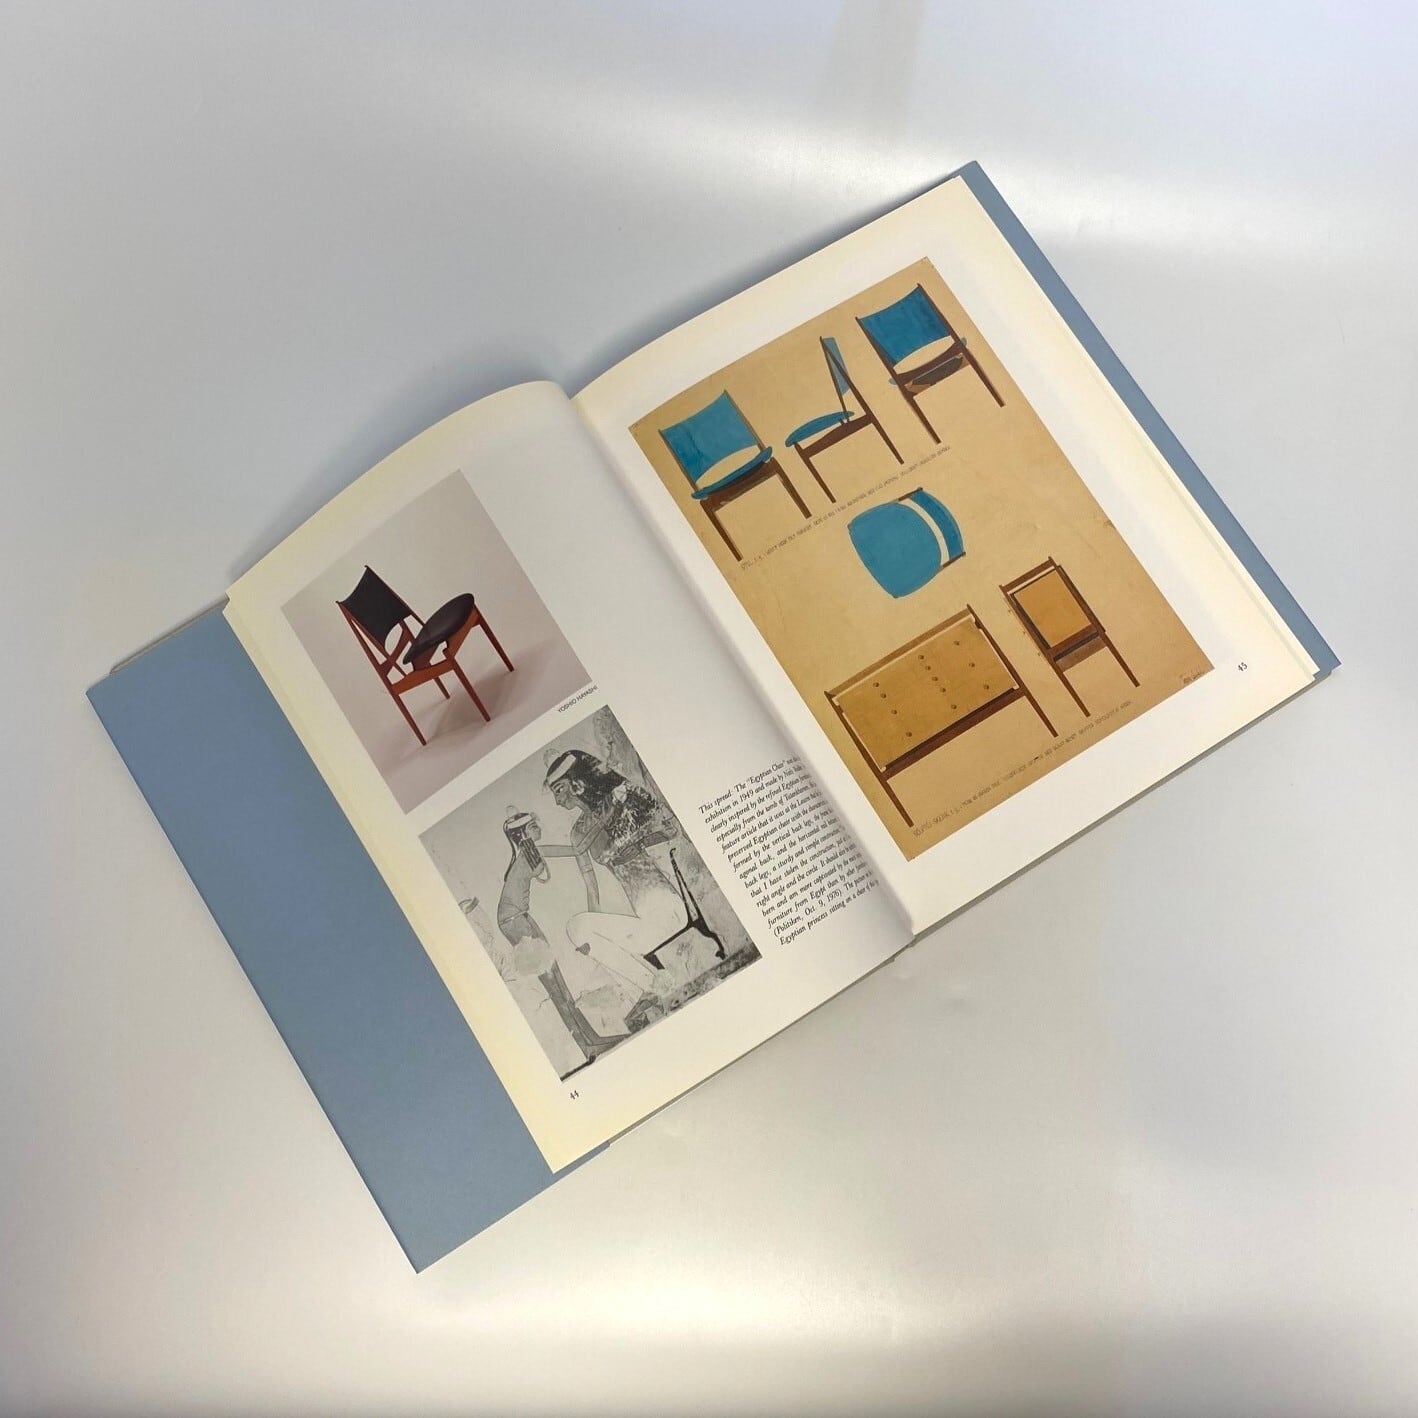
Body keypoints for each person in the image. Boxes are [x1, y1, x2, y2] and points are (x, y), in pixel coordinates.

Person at [535, 749, 712, 998]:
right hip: (644, 919)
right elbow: (590, 880)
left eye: (559, 790)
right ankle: (653, 988)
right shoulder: (581, 829)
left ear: (577, 782)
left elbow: (669, 830)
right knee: (578, 928)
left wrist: (639, 835)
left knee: (586, 931)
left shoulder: (621, 800)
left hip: (666, 907)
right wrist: (594, 942)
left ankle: (654, 988)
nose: (557, 801)